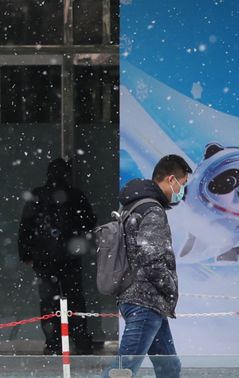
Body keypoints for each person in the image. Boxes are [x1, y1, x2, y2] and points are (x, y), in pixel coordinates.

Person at [104, 155, 192, 378]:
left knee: (169, 368)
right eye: (182, 185)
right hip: (145, 301)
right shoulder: (152, 210)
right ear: (171, 179)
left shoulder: (133, 205)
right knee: (121, 371)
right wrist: (170, 287)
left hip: (144, 300)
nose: (182, 191)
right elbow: (151, 257)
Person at [18, 158, 96, 355]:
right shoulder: (75, 195)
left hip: (44, 258)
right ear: (67, 174)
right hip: (69, 257)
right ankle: (80, 338)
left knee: (48, 301)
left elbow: (25, 226)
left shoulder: (38, 195)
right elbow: (89, 222)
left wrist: (26, 253)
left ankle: (54, 342)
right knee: (75, 298)